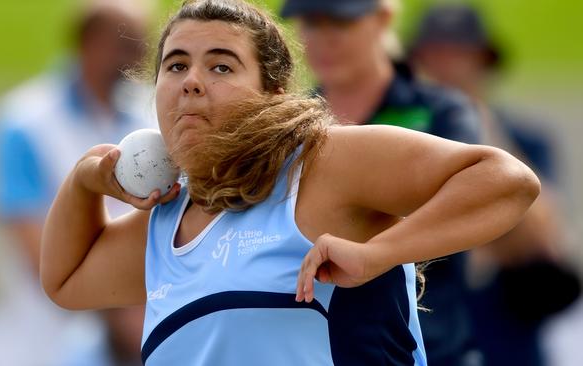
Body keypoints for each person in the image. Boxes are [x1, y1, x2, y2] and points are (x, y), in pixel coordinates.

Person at [40, 1, 540, 365]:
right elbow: (65, 281)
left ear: (273, 93)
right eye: (175, 65)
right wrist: (84, 182)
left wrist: (379, 253)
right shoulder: (168, 222)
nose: (192, 80)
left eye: (221, 65)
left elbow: (506, 181)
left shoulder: (324, 162)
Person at [279, 0, 482, 364]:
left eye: (339, 22)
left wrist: (373, 250)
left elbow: (478, 199)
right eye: (310, 23)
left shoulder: (439, 111)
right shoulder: (286, 129)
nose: (323, 40)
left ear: (384, 17)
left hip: (429, 349)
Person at [409, 4, 581, 366]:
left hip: (507, 332)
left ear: (484, 62)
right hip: (433, 331)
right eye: (435, 56)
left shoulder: (526, 139)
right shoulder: (405, 145)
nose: (448, 69)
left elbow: (544, 239)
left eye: (461, 56)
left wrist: (476, 123)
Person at [0, 1, 154, 364]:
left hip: (139, 327)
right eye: (127, 45)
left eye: (142, 45)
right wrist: (124, 311)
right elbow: (36, 250)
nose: (139, 59)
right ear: (88, 43)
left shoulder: (151, 111)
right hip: (54, 339)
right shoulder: (23, 122)